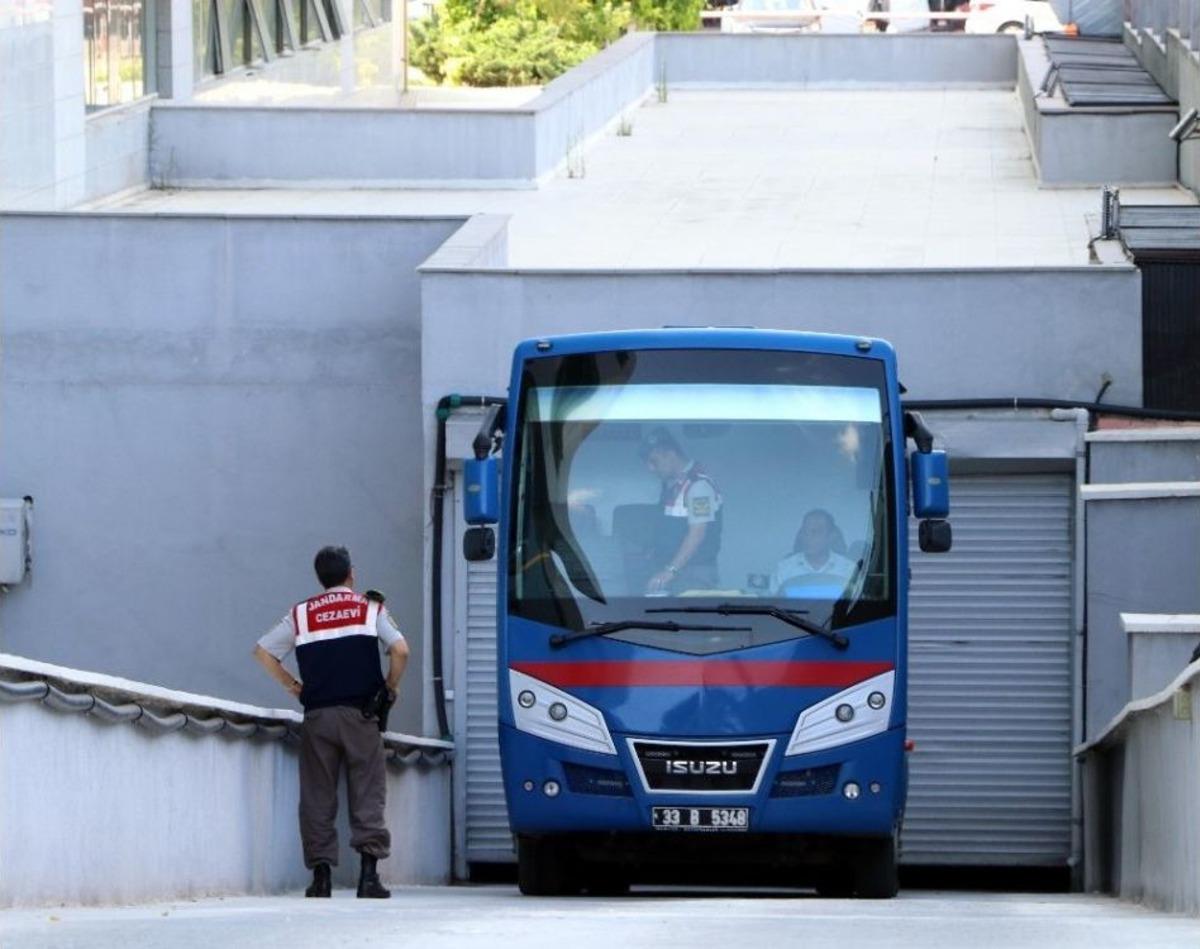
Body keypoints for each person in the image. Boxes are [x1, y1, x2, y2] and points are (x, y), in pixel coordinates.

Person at [253, 545, 410, 899]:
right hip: (362, 714)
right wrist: (390, 688)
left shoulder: (301, 613)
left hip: (318, 717)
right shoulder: (370, 608)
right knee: (368, 792)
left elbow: (263, 652)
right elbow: (401, 650)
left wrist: (294, 687)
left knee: (317, 796)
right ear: (351, 574)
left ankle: (320, 878)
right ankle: (368, 877)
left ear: (320, 578)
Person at [640, 427, 723, 593]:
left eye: (654, 461)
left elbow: (697, 534)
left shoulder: (698, 486)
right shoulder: (672, 485)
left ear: (670, 454)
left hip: (693, 574)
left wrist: (670, 571)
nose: (651, 468)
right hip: (673, 570)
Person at [771, 509, 857, 594]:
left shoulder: (849, 569)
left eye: (815, 532)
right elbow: (774, 604)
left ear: (831, 537)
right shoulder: (784, 569)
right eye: (805, 532)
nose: (808, 538)